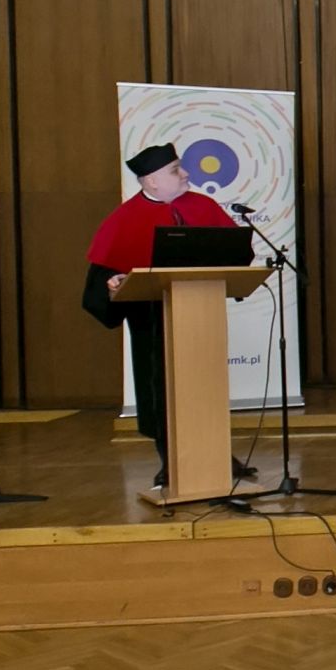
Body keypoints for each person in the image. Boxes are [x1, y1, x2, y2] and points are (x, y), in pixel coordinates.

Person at [82, 142, 248, 487]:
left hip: (201, 317)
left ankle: (217, 453)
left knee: (206, 383)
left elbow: (236, 252)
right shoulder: (125, 218)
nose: (185, 174)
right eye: (175, 170)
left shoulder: (203, 206)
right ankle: (169, 459)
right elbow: (102, 278)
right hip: (152, 322)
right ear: (152, 181)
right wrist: (114, 281)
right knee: (160, 390)